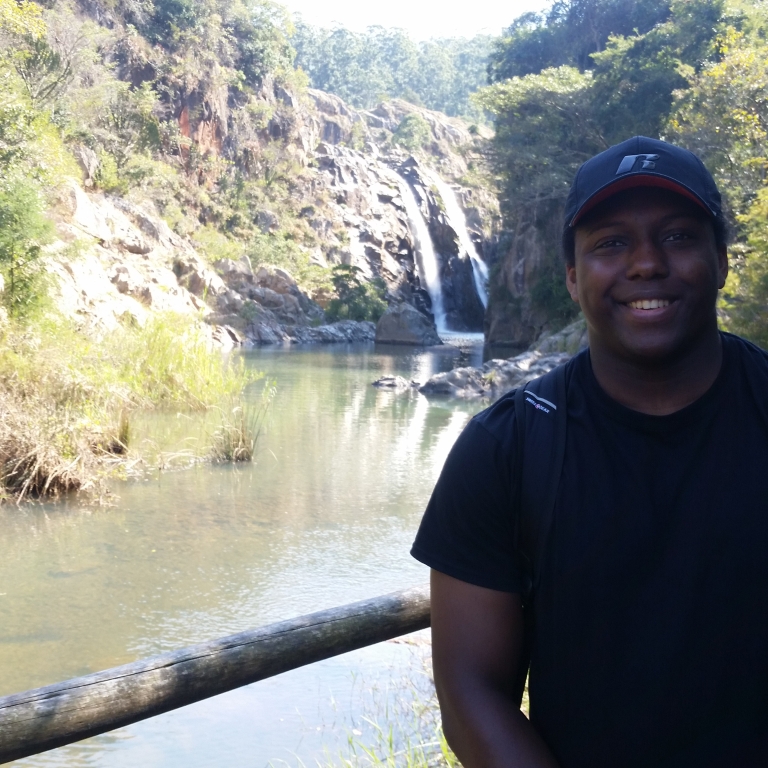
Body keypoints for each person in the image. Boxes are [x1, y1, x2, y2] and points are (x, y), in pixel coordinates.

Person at [411, 136, 768, 768]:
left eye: (679, 236)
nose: (646, 264)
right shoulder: (506, 450)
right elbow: (471, 689)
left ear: (721, 262)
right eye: (610, 243)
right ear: (573, 278)